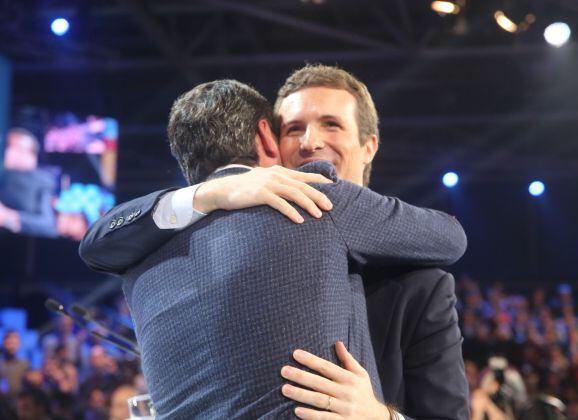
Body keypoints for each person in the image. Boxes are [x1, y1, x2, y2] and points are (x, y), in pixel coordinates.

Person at [80, 78, 466, 419]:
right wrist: (210, 194)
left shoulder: (421, 284)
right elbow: (97, 242)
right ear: (269, 139)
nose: (310, 142)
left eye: (331, 124)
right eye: (293, 128)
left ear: (369, 146)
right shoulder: (207, 220)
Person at [0, 128, 56, 237]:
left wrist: (8, 216)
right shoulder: (3, 173)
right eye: (9, 147)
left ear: (32, 156)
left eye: (19, 149)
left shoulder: (42, 181)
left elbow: (48, 225)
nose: (11, 152)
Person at [0, 330, 30, 400]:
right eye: (9, 342)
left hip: (19, 404)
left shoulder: (24, 364)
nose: (11, 345)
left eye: (14, 342)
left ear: (18, 344)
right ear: (4, 343)